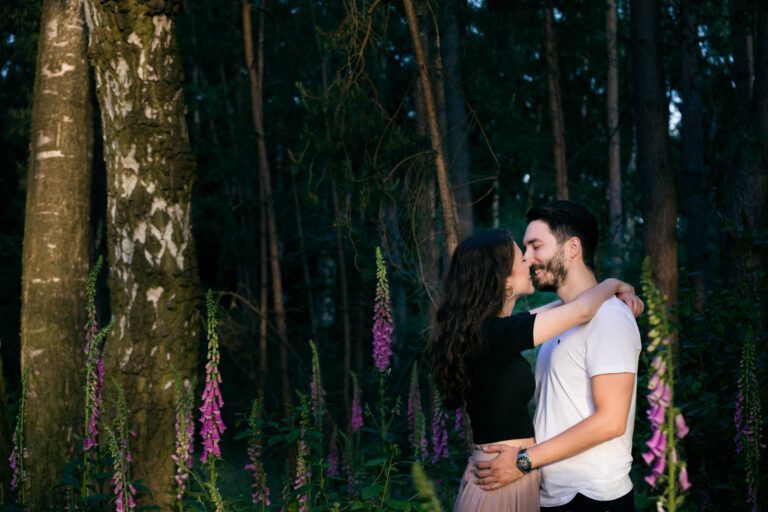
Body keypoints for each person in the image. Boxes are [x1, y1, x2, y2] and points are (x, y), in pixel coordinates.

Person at [427, 229, 643, 512]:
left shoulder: (488, 332)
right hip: (501, 479)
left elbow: (564, 307)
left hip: (508, 474)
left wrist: (606, 293)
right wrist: (614, 283)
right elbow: (580, 311)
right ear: (504, 281)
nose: (529, 262)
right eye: (520, 258)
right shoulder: (495, 334)